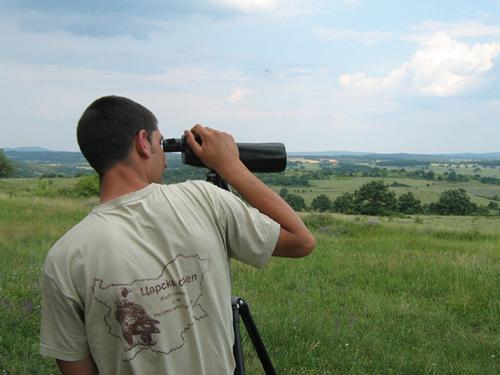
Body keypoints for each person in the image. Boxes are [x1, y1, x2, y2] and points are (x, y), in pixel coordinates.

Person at [40, 96, 315, 375]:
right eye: (161, 143)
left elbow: (76, 368)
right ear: (143, 142)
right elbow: (301, 240)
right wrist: (230, 166)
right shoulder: (204, 198)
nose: (165, 158)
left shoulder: (64, 257)